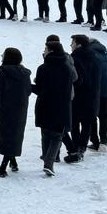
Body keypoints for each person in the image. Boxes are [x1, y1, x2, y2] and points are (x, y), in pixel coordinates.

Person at [0, 47, 32, 176]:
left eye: (3, 55)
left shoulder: (2, 71)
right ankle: (13, 161)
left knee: (5, 136)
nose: (1, 56)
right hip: (20, 109)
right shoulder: (25, 73)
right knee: (15, 135)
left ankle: (3, 166)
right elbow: (28, 91)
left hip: (4, 109)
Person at [32, 36, 75, 176]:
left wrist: (30, 86)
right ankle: (48, 162)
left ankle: (48, 159)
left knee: (46, 133)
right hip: (62, 106)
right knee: (57, 135)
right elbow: (74, 81)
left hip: (44, 104)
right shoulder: (67, 68)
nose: (43, 51)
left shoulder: (43, 68)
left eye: (45, 49)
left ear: (50, 51)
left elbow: (39, 89)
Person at [67, 34, 99, 161]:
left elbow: (76, 79)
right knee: (87, 123)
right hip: (92, 94)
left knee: (74, 122)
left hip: (78, 95)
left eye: (73, 43)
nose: (71, 45)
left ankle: (76, 147)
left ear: (78, 44)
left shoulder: (74, 58)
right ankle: (82, 147)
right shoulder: (94, 56)